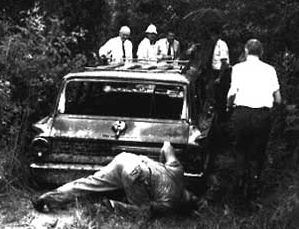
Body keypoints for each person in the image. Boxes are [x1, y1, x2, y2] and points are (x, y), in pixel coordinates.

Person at [32, 142, 197, 215]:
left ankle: (46, 198)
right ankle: (108, 204)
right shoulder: (171, 204)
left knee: (88, 183)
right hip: (136, 174)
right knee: (142, 211)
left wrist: (159, 165)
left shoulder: (178, 171)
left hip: (126, 159)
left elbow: (167, 145)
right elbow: (150, 210)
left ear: (188, 192)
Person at [227, 39, 282, 198]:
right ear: (261, 52)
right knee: (258, 152)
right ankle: (254, 187)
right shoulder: (270, 70)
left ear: (245, 51)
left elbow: (231, 94)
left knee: (240, 149)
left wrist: (229, 106)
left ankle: (239, 183)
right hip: (262, 116)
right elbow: (278, 99)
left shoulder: (237, 68)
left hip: (242, 114)